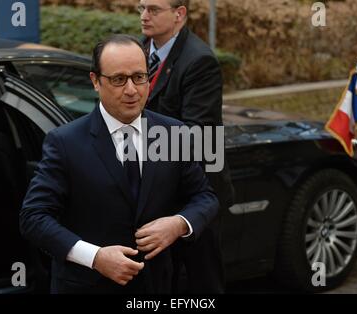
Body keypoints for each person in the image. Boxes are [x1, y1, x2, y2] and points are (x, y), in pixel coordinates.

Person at [19, 34, 219, 294]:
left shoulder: (173, 133)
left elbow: (205, 196)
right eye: (118, 79)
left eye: (139, 77)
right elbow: (33, 217)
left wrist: (178, 223)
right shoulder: (64, 142)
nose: (131, 90)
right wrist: (95, 257)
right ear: (95, 82)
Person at [139, 0, 235, 293]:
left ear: (179, 14)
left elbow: (198, 137)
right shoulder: (138, 50)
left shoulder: (199, 61)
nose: (144, 16)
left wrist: (132, 141)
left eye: (153, 9)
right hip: (157, 192)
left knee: (199, 282)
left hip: (194, 195)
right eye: (141, 8)